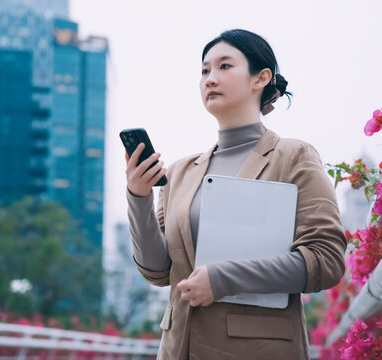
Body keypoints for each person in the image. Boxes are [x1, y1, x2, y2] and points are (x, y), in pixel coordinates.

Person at [124, 29, 347, 360]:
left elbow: (326, 260)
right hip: (177, 348)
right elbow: (157, 271)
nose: (210, 79)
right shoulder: (182, 173)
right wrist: (138, 197)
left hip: (257, 349)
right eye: (204, 70)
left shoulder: (293, 157)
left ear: (261, 78)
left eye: (224, 67)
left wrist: (223, 278)